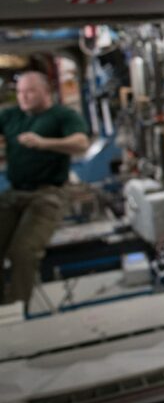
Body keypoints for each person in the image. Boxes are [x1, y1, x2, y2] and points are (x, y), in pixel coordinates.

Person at [0, 71, 89, 307]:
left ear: (46, 92)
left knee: (22, 251)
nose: (23, 96)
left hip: (48, 195)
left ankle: (16, 308)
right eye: (20, 92)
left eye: (30, 91)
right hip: (14, 193)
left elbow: (81, 143)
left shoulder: (62, 115)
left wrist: (45, 143)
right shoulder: (11, 116)